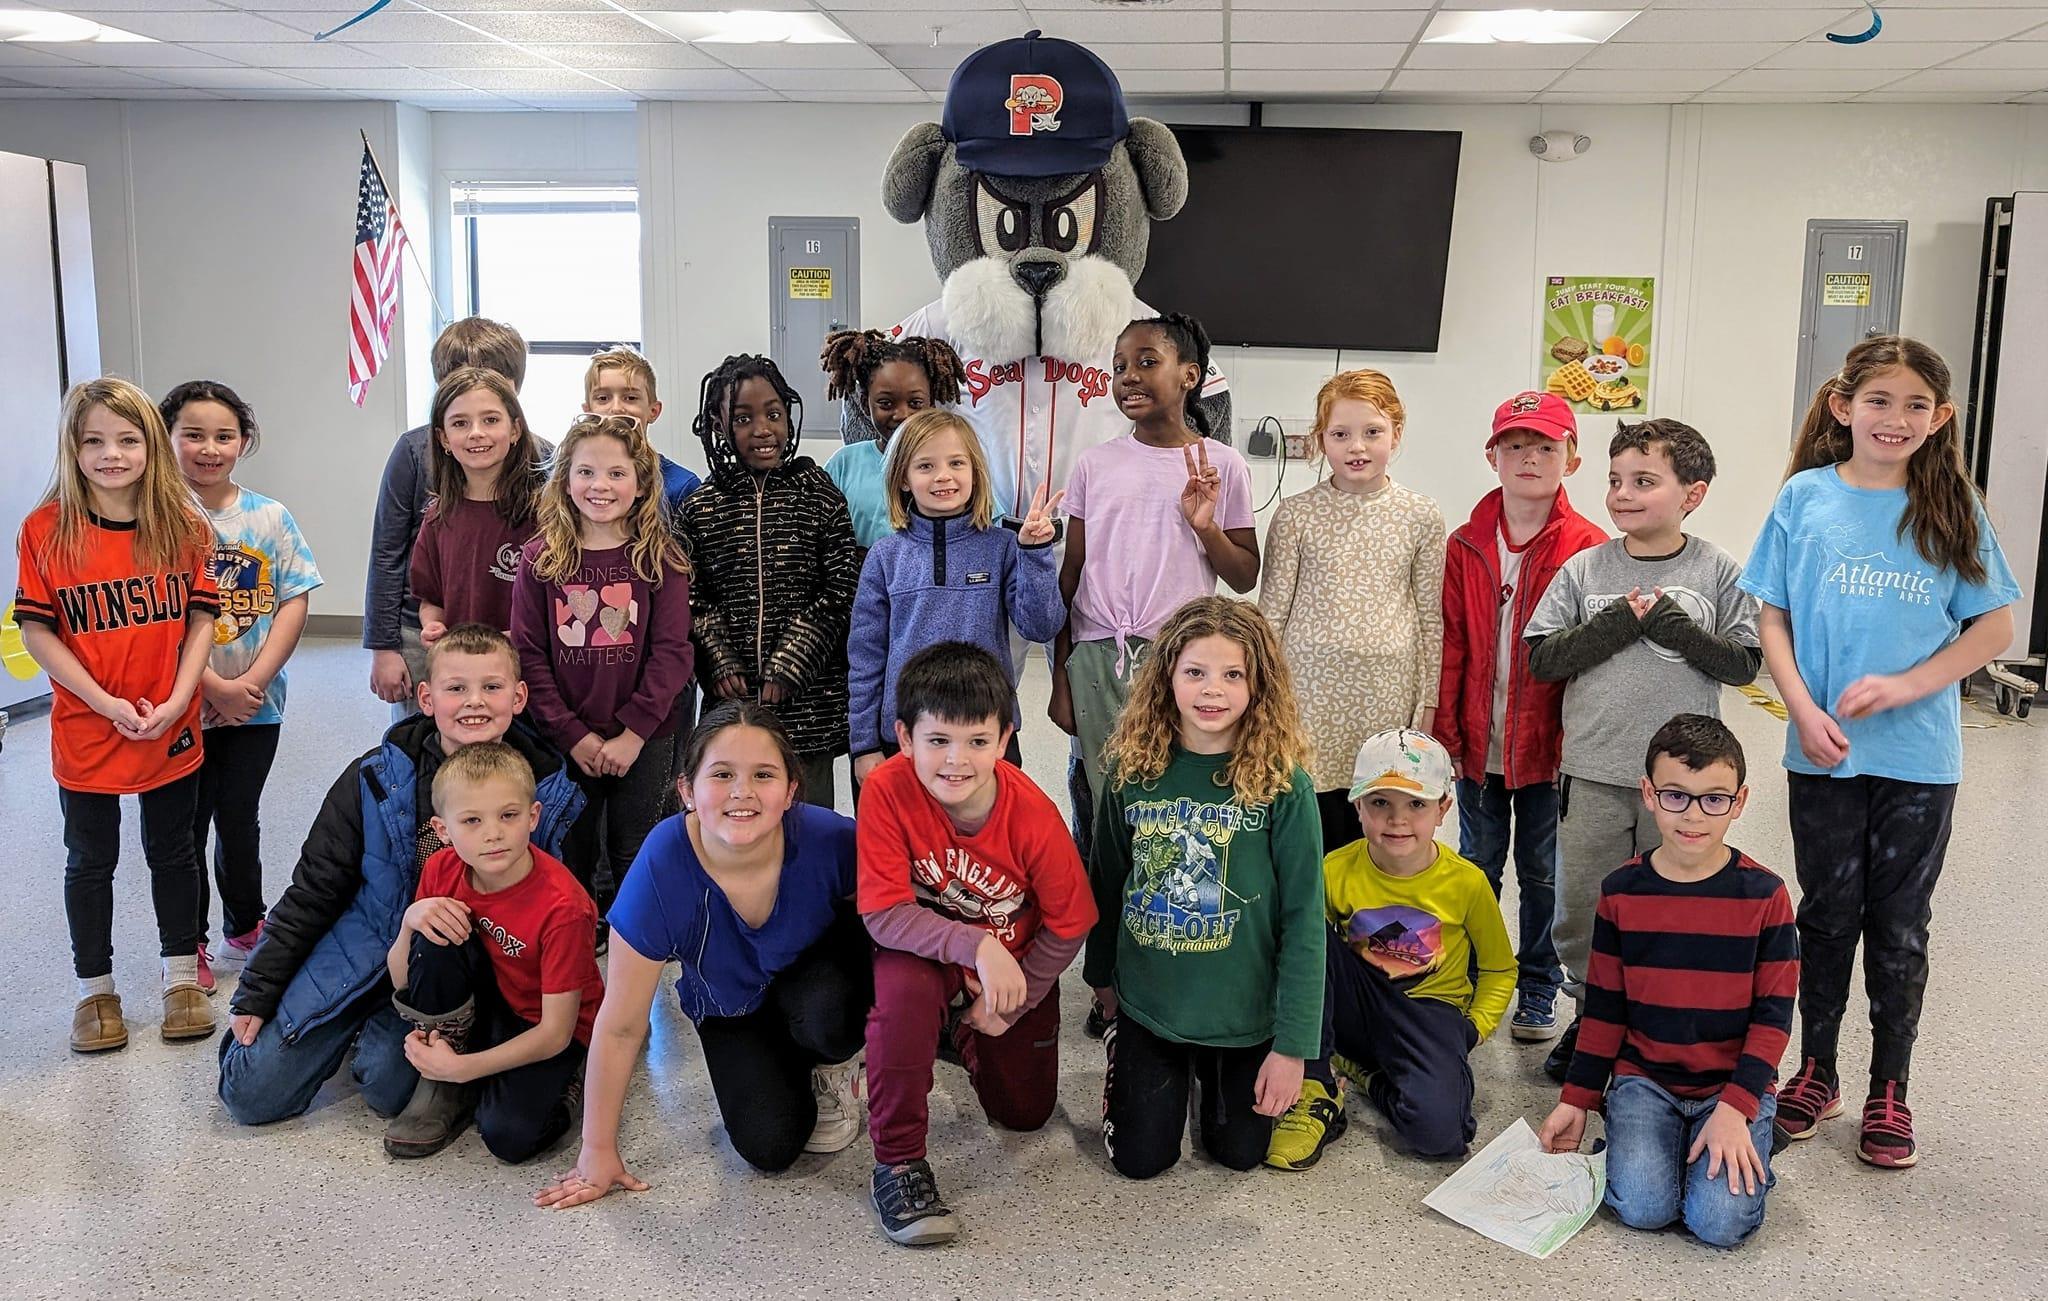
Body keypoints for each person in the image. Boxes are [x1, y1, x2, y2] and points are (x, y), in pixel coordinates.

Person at [1738, 336, 2019, 1169]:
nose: (1895, 419)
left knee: (1897, 927)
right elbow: (1773, 617)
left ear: (1940, 420)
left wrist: (1904, 686)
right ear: (1842, 407)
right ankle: (1815, 1069)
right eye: (1879, 402)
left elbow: (1995, 628)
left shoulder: (1953, 505)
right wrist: (1799, 704)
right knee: (1824, 915)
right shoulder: (1805, 497)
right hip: (1820, 749)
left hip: (1919, 761)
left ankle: (1888, 1087)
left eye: (1914, 406)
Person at [217, 625, 585, 1127]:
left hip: (455, 975)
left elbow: (560, 919)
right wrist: (259, 989)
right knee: (249, 1093)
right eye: (456, 689)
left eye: (491, 688)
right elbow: (313, 891)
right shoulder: (373, 777)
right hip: (365, 945)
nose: (474, 703)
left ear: (518, 697)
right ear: (427, 699)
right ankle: (330, 1024)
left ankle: (381, 1040)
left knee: (388, 1088)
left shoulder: (551, 794)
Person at [535, 704, 871, 1204]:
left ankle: (836, 1064)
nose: (743, 791)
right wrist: (596, 1149)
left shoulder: (830, 837)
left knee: (828, 1015)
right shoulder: (663, 865)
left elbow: (896, 916)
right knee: (770, 1146)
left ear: (791, 789)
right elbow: (623, 1023)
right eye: (722, 774)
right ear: (687, 791)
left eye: (763, 775)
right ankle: (784, 1057)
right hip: (731, 1005)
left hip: (813, 985)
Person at [1526, 418, 1759, 1080]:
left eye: (1644, 481)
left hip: (1683, 785)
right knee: (1586, 909)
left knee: (1675, 905)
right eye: (1615, 480)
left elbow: (1742, 663)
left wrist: (1674, 628)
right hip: (1594, 773)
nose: (1623, 494)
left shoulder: (1718, 570)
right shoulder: (1585, 568)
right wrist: (1617, 623)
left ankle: (1659, 1028)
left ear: (1694, 492)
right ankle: (1589, 1019)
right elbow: (1544, 658)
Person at [857, 643, 1097, 1245]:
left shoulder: (1033, 817)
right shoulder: (886, 791)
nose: (956, 761)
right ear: (904, 737)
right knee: (902, 997)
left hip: (1012, 965)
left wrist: (1017, 991)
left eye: (976, 741)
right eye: (937, 741)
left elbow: (1072, 921)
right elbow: (885, 914)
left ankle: (956, 1028)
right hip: (932, 953)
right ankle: (899, 1162)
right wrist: (976, 948)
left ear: (1005, 737)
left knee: (1024, 1114)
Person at [1083, 597, 1323, 1179]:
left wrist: (1292, 1051)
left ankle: (1241, 1074)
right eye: (1195, 672)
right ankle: (1132, 1052)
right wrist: (1102, 983)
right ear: (1167, 677)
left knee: (1241, 1154)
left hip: (1244, 1010)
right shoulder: (1130, 769)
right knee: (1141, 1161)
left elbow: (1304, 919)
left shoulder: (1282, 785)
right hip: (1151, 1001)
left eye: (1232, 674)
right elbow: (1107, 879)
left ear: (1257, 683)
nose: (1211, 691)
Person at [16, 377, 221, 1052]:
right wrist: (101, 701)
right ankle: (94, 991)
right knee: (90, 857)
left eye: (128, 439)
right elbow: (38, 632)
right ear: (72, 449)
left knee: (174, 849)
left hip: (169, 717)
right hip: (88, 723)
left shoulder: (184, 524)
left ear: (151, 447)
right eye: (94, 441)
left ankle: (181, 977)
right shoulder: (46, 531)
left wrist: (177, 698)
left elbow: (200, 621)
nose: (112, 454)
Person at [1539, 714, 1798, 1249]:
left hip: (1730, 1087)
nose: (1695, 815)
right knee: (1642, 1208)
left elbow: (1773, 1020)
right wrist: (1577, 1099)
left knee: (1720, 1224)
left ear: (1740, 801)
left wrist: (1736, 1107)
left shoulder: (1766, 897)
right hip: (1646, 1080)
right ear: (1649, 795)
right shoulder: (1621, 892)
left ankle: (1754, 1136)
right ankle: (1659, 1138)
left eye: (1714, 799)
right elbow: (1605, 1010)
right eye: (1676, 796)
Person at [1433, 392, 1604, 1044]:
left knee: (1542, 871)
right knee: (1477, 864)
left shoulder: (1588, 547)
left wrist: (1577, 744)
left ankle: (1537, 984)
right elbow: (1453, 644)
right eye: (1515, 445)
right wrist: (1445, 734)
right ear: (1492, 455)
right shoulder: (1466, 544)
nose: (1529, 457)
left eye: (1546, 446)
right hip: (1478, 744)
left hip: (1548, 750)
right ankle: (1479, 973)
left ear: (1572, 458)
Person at [1268, 728, 1513, 1171]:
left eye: (1416, 804)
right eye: (1380, 803)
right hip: (1357, 1003)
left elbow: (1499, 969)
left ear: (1443, 809)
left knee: (1442, 1135)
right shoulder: (1333, 870)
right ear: (1357, 806)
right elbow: (1306, 961)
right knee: (1307, 934)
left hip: (1429, 1012)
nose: (1397, 820)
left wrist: (1473, 1029)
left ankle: (1366, 1075)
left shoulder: (1468, 883)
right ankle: (1317, 1082)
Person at [1052, 313, 1258, 815]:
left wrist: (1205, 526)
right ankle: (1105, 892)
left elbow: (1244, 575)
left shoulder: (1220, 464)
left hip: (1180, 658)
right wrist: (1061, 675)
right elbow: (1071, 574)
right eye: (1119, 366)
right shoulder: (1094, 465)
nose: (1130, 377)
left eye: (1148, 362)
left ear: (1190, 376)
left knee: (1170, 796)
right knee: (1106, 799)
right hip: (1098, 653)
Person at [165, 380, 323, 992]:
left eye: (224, 435)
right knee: (186, 823)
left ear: (244, 441)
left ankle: (244, 924)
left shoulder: (269, 516)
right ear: (167, 439)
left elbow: (293, 600)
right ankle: (190, 943)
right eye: (193, 435)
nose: (209, 448)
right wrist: (207, 688)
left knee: (239, 816)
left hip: (257, 704)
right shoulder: (157, 521)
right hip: (179, 705)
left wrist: (250, 683)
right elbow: (156, 624)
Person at [384, 741, 606, 1164]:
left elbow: (556, 1033)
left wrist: (463, 1068)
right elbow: (403, 980)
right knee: (433, 934)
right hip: (489, 1003)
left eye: (509, 815)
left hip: (549, 1024)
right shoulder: (441, 868)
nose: (493, 834)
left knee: (509, 1136)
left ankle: (572, 1080)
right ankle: (448, 1079)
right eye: (471, 820)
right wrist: (409, 920)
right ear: (443, 831)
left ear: (533, 817)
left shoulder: (564, 907)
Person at [512, 414, 694, 917]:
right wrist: (574, 736)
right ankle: (579, 933)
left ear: (640, 484)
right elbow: (529, 656)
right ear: (565, 480)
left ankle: (636, 936)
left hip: (646, 737)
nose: (601, 486)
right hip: (565, 735)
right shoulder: (539, 560)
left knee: (635, 846)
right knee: (574, 848)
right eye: (587, 472)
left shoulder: (662, 559)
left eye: (616, 473)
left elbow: (673, 654)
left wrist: (633, 734)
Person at [1259, 369, 1446, 854]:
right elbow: (1272, 616)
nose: (1356, 446)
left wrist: (1428, 704)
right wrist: (1262, 694)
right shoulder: (1295, 514)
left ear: (1396, 433)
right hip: (1308, 699)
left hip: (1386, 697)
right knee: (1310, 825)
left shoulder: (1421, 515)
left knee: (1379, 819)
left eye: (1372, 432)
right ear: (1321, 439)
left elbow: (1430, 618)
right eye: (1340, 434)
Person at [673, 355, 860, 808]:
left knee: (808, 816)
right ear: (718, 424)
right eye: (744, 418)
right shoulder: (701, 507)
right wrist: (717, 657)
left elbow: (841, 588)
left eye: (774, 414)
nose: (763, 429)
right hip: (730, 698)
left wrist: (793, 658)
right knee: (736, 806)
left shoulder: (819, 494)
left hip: (808, 701)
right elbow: (689, 595)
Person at [846, 410, 1064, 793]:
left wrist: (1036, 552)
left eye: (956, 463)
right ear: (903, 480)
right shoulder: (884, 557)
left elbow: (1041, 625)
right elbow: (865, 657)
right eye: (926, 465)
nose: (943, 476)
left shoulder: (1002, 548)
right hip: (903, 739)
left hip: (987, 736)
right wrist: (863, 747)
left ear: (975, 472)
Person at [365, 316, 527, 714]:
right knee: (420, 741)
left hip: (511, 638)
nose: (475, 431)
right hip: (423, 632)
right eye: (458, 376)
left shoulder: (540, 459)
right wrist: (384, 647)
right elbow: (387, 551)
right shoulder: (413, 452)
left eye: (488, 377)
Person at [410, 366, 548, 642]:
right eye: (460, 423)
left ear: (515, 430)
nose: (476, 433)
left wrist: (514, 638)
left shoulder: (545, 515)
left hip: (528, 665)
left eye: (490, 420)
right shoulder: (438, 518)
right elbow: (431, 599)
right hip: (462, 666)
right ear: (444, 439)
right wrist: (433, 625)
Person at [819, 330, 966, 556]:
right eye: (886, 403)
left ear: (932, 401)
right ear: (865, 403)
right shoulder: (844, 465)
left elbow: (985, 526)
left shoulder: (956, 463)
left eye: (915, 403)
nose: (902, 414)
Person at [581, 344, 702, 517]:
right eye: (603, 398)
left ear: (653, 411)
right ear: (588, 411)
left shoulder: (682, 487)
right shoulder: (573, 483)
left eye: (630, 398)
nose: (616, 408)